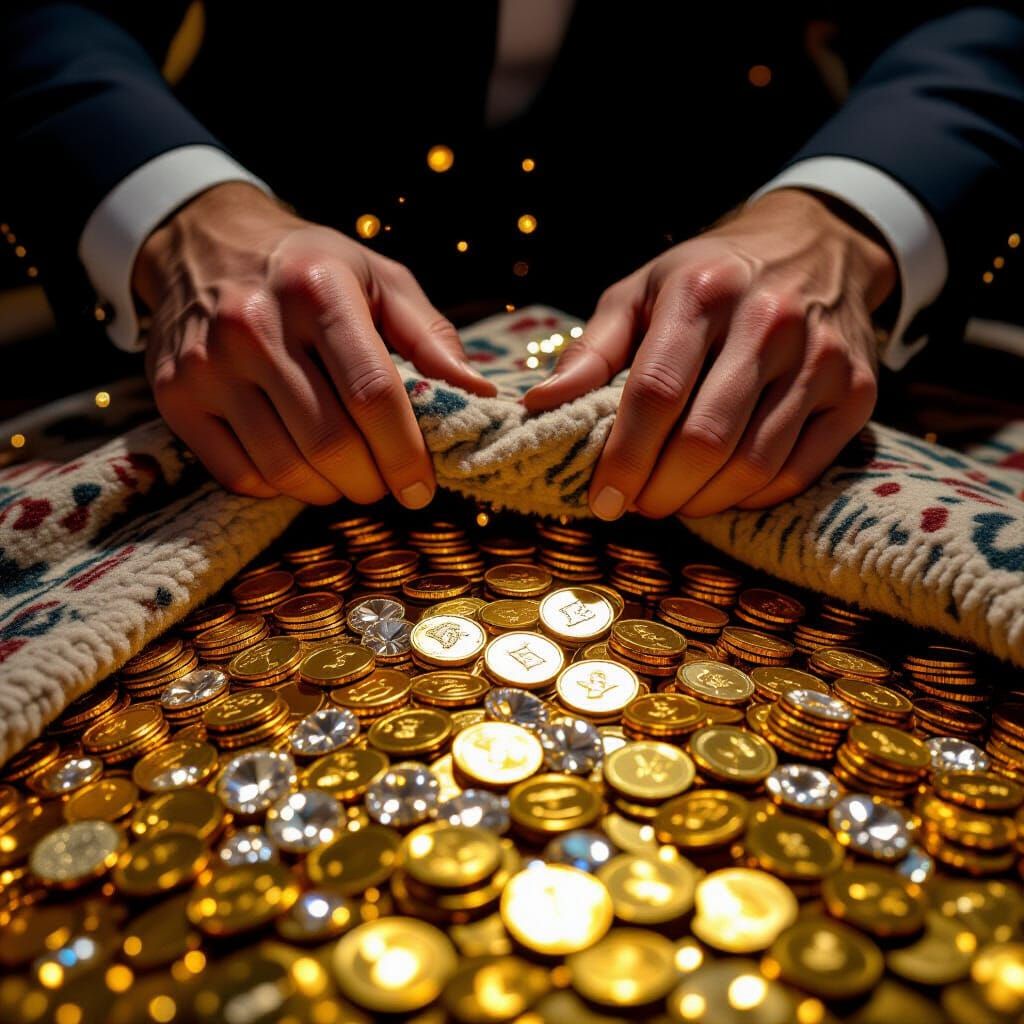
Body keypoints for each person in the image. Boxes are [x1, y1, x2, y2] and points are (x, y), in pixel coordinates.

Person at [2, 4, 1022, 518]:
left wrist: (845, 222)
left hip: (758, 318)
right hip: (252, 322)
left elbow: (979, 18)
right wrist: (180, 215)